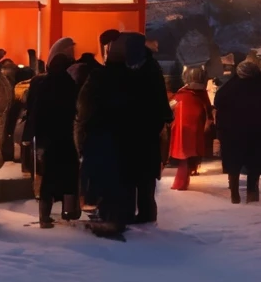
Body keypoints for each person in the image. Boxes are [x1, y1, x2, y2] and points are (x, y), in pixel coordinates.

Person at [75, 37, 133, 237]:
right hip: (125, 135)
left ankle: (103, 214)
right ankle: (117, 216)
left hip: (99, 132)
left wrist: (82, 128)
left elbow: (84, 106)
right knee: (121, 177)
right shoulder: (132, 78)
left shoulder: (98, 76)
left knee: (100, 175)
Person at [27, 39, 82, 226]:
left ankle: (44, 216)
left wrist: (34, 136)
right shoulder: (70, 85)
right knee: (70, 175)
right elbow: (77, 111)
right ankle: (68, 211)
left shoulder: (42, 84)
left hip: (48, 139)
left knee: (48, 178)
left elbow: (35, 113)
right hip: (67, 137)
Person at [118, 33, 172, 222]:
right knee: (145, 174)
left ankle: (130, 211)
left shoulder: (123, 66)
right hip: (148, 128)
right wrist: (164, 117)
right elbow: (160, 96)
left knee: (129, 172)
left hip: (128, 128)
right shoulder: (151, 66)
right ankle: (147, 211)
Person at [212, 58, 261, 203]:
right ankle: (252, 194)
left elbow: (218, 103)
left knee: (234, 164)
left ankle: (234, 194)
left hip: (232, 133)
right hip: (258, 133)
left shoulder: (229, 88)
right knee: (255, 165)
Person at [168, 70, 213, 190]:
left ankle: (182, 180)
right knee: (190, 153)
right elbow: (209, 112)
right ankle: (186, 176)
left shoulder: (181, 94)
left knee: (184, 154)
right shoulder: (201, 95)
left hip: (181, 127)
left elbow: (170, 106)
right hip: (196, 129)